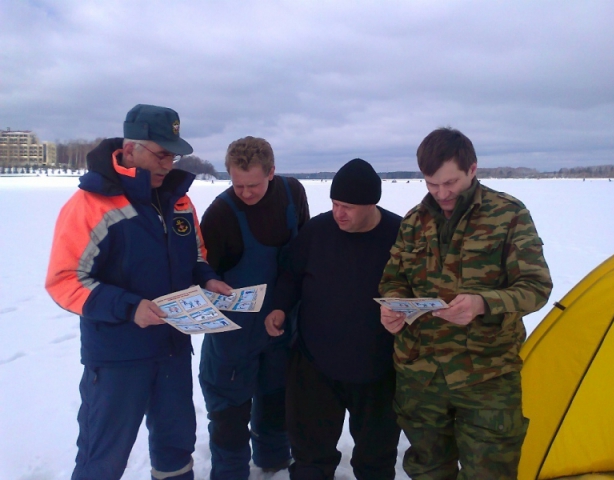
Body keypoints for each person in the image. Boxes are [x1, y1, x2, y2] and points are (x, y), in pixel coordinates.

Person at [45, 104, 232, 480]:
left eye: (173, 154)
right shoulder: (90, 204)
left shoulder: (179, 201)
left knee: (176, 448)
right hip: (117, 359)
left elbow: (195, 254)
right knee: (103, 456)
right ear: (130, 149)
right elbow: (64, 280)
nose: (168, 164)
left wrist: (208, 278)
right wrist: (131, 308)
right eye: (160, 153)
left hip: (173, 351)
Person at [379, 128, 553, 479]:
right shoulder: (414, 221)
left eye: (450, 182)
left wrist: (482, 303)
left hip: (487, 375)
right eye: (431, 184)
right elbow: (394, 279)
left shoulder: (508, 215)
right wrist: (393, 306)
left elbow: (536, 286)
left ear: (472, 169)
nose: (441, 193)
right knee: (428, 469)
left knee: (490, 472)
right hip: (421, 374)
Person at [265, 158, 403, 480]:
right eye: (335, 203)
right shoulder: (317, 231)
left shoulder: (399, 235)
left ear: (371, 204)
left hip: (378, 371)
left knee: (376, 462)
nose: (338, 213)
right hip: (316, 367)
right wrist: (279, 308)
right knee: (311, 461)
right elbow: (290, 276)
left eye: (348, 207)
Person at [198, 136, 310, 479]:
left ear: (272, 172)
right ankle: (230, 471)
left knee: (276, 398)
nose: (245, 193)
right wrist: (208, 283)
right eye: (238, 184)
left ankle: (273, 460)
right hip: (234, 335)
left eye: (254, 185)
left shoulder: (293, 194)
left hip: (281, 325)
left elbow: (304, 251)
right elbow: (200, 267)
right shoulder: (220, 213)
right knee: (230, 410)